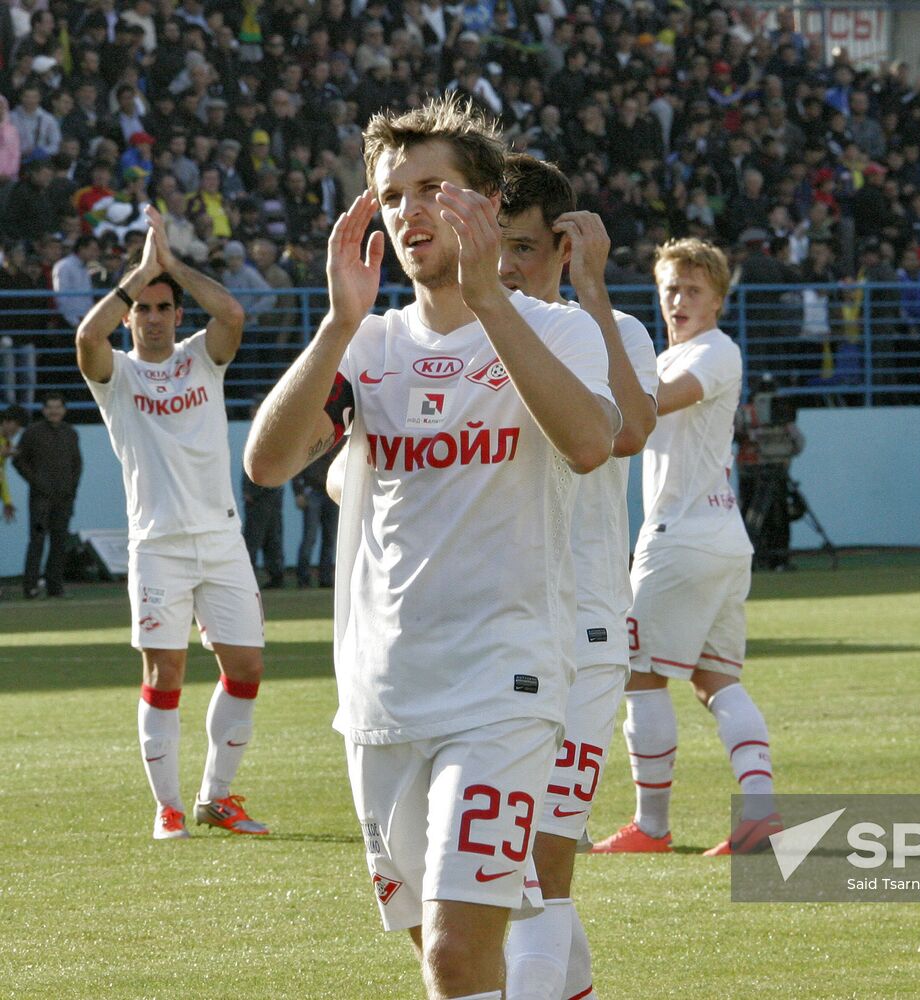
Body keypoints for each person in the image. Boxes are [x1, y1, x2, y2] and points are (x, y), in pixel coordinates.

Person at [242, 96, 617, 1000]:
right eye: (391, 194)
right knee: (436, 959)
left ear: (486, 204)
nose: (409, 211)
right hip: (380, 693)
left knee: (456, 950)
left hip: (503, 686)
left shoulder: (554, 331)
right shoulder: (366, 348)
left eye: (432, 189)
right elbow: (267, 462)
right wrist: (337, 324)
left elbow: (589, 442)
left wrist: (490, 297)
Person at [494, 153, 658, 1000]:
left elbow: (629, 431)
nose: (505, 268)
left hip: (587, 633)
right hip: (498, 634)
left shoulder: (616, 331)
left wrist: (592, 292)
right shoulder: (477, 334)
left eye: (523, 247)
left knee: (543, 866)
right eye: (495, 246)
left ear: (563, 244)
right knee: (510, 874)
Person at [75, 204, 270, 841]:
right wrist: (138, 274)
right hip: (159, 545)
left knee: (245, 667)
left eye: (163, 308)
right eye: (143, 310)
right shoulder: (118, 377)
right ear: (129, 317)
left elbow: (234, 314)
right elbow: (85, 340)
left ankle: (217, 798)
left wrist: (170, 266)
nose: (154, 318)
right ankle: (169, 809)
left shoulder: (201, 359)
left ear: (177, 315)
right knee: (165, 676)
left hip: (220, 537)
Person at [592, 237, 783, 859]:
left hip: (684, 537)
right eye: (670, 289)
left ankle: (651, 826)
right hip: (720, 538)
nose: (678, 300)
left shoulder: (713, 352)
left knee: (639, 675)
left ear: (719, 301)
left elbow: (649, 408)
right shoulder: (676, 353)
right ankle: (760, 817)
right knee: (715, 680)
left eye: (693, 290)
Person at [13, 392, 81, 598]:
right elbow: (18, 460)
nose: (54, 411)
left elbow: (77, 464)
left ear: (64, 410)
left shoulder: (71, 433)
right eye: (50, 407)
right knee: (37, 540)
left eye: (57, 407)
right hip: (40, 500)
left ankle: (55, 587)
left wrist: (72, 490)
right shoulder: (32, 432)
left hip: (64, 500)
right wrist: (36, 483)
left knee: (59, 541)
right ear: (43, 410)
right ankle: (30, 587)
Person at [734, 373, 804, 570]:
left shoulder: (782, 413)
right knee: (751, 516)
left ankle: (779, 559)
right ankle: (751, 559)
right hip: (751, 472)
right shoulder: (744, 413)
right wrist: (749, 433)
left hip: (776, 471)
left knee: (779, 515)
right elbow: (734, 434)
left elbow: (798, 444)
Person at [241, 396, 285, 589]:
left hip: (263, 496)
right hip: (269, 494)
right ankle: (275, 576)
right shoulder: (270, 431)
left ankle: (251, 577)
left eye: (254, 410)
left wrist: (252, 491)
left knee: (255, 538)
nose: (251, 413)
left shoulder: (265, 432)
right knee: (270, 537)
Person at [292, 447, 340, 588]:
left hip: (332, 492)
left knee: (329, 538)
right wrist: (298, 492)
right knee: (310, 538)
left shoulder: (339, 438)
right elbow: (296, 465)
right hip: (312, 491)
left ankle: (325, 579)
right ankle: (303, 578)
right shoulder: (312, 436)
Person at [0, 403, 24, 524]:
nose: (17, 430)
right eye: (16, 425)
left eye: (20, 427)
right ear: (5, 421)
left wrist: (7, 501)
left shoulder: (6, 443)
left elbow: (1, 475)